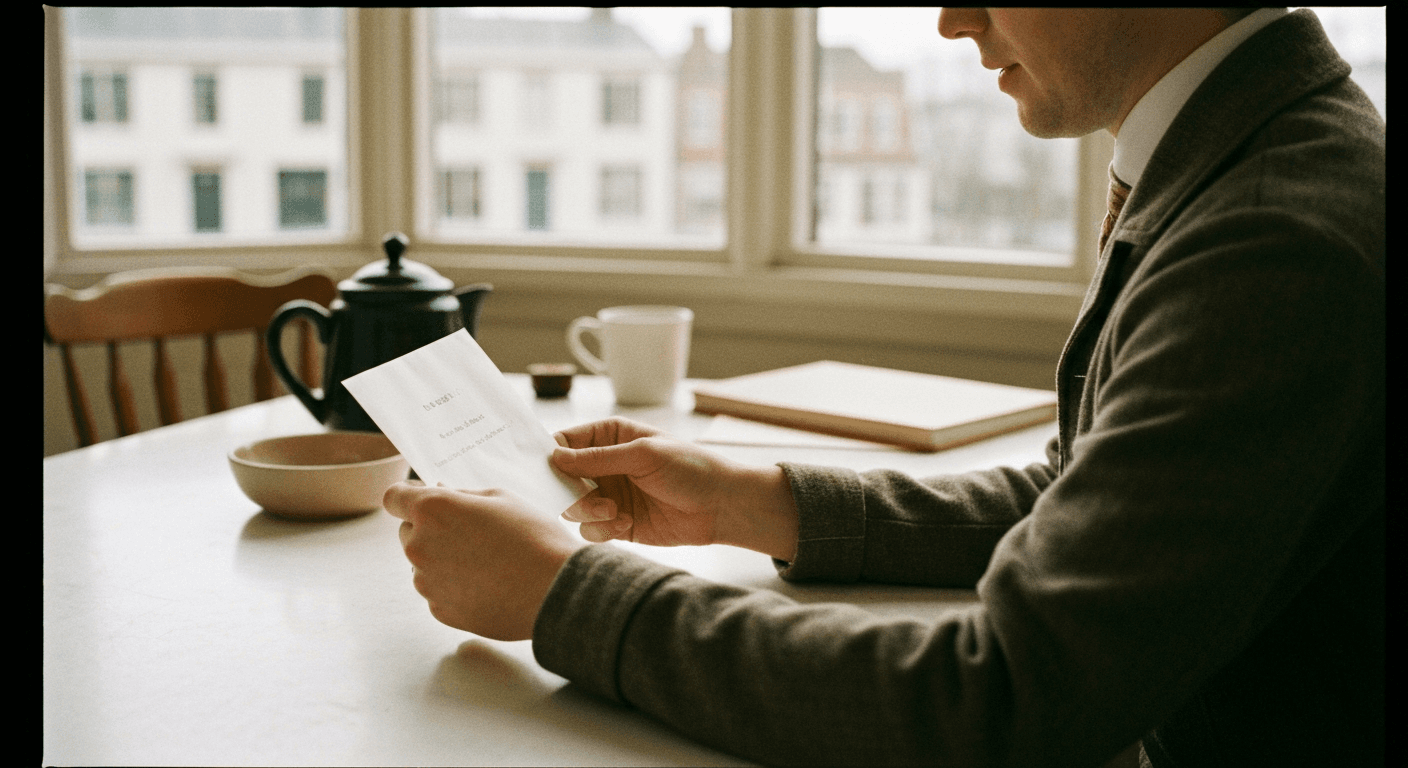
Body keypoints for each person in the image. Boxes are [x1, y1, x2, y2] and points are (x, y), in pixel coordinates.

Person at [385, 8, 1383, 766]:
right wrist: (758, 501)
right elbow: (1087, 497)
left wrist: (567, 596)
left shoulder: (1270, 238)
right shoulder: (1247, 155)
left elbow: (1013, 699)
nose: (950, 18)